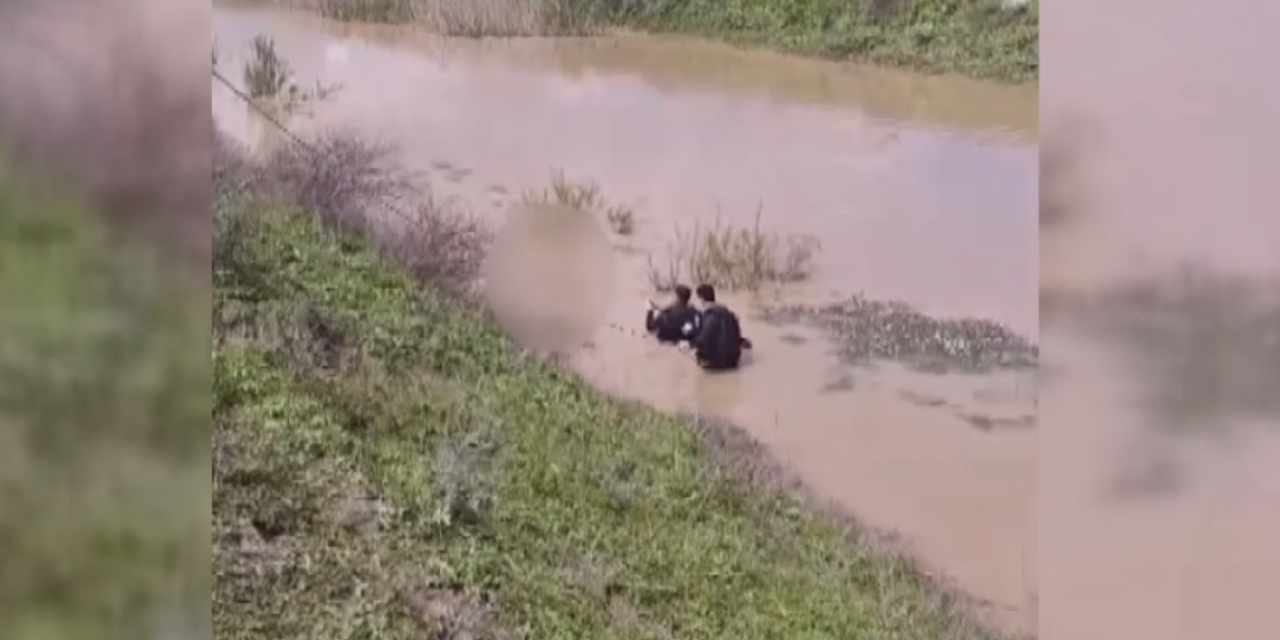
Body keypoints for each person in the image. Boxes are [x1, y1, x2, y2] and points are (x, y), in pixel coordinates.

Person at [689, 283, 752, 370]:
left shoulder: (706, 315)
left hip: (713, 364)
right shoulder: (730, 314)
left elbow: (702, 339)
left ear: (701, 298)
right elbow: (737, 335)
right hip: (733, 361)